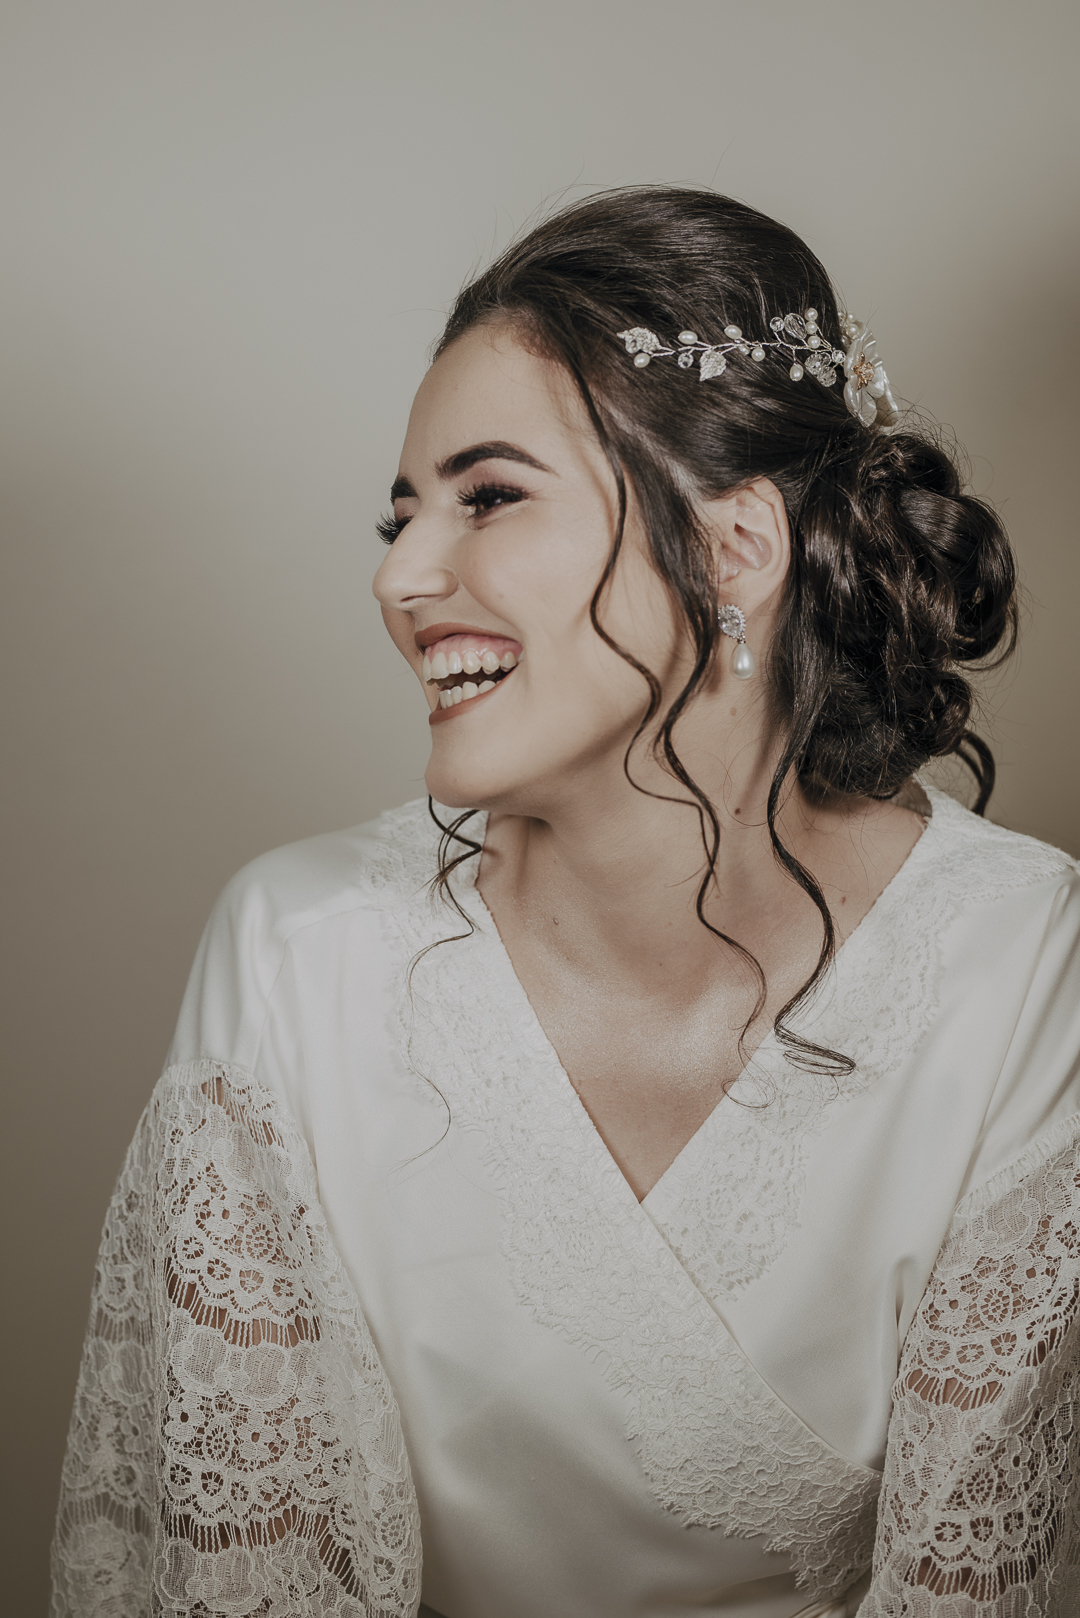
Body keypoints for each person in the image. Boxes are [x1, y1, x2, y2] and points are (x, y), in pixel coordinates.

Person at [52, 188, 1080, 1618]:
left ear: (735, 548)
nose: (399, 577)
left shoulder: (1022, 962)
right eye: (400, 515)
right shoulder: (297, 952)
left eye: (488, 496)